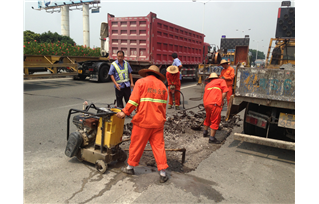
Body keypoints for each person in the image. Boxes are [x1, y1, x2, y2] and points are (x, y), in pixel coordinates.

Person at [115, 65, 169, 183]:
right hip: (158, 122)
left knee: (136, 144)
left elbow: (133, 100)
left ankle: (130, 168)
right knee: (159, 147)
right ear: (157, 75)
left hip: (143, 122)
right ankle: (163, 173)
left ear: (147, 73)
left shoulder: (141, 82)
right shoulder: (163, 87)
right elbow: (163, 107)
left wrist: (125, 112)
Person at [203, 72, 228, 144]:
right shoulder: (221, 81)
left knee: (208, 117)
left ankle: (205, 132)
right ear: (217, 78)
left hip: (206, 103)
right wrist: (221, 100)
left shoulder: (207, 85)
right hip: (215, 103)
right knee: (215, 119)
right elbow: (225, 91)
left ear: (210, 79)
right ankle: (212, 138)